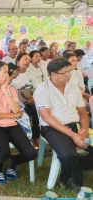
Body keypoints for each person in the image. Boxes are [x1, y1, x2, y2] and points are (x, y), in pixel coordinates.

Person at [33, 58, 93, 191]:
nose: (69, 75)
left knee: (73, 155)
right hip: (52, 127)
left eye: (70, 71)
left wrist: (84, 129)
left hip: (75, 125)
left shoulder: (73, 88)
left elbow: (82, 112)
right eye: (65, 73)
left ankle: (70, 167)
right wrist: (73, 135)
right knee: (68, 154)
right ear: (53, 74)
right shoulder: (42, 90)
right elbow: (47, 117)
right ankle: (75, 181)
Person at [0, 61, 37, 185]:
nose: (8, 75)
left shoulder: (10, 89)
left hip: (11, 125)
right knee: (4, 152)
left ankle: (14, 161)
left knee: (31, 153)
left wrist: (5, 91)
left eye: (8, 72)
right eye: (5, 72)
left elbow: (17, 109)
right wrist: (12, 115)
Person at [8, 53, 41, 147]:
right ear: (17, 61)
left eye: (29, 60)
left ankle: (35, 136)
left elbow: (37, 87)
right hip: (16, 102)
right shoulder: (12, 73)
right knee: (24, 112)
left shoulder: (31, 74)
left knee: (37, 111)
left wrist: (34, 98)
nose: (27, 61)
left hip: (29, 100)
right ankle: (28, 138)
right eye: (25, 59)